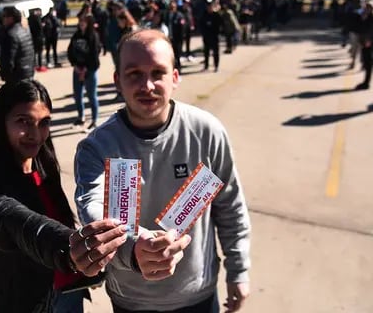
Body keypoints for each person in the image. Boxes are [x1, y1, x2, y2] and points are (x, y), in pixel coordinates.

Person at [74, 29, 251, 312]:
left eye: (158, 72)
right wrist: (134, 248)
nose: (147, 85)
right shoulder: (97, 147)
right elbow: (91, 208)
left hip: (198, 296)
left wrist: (238, 270)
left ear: (175, 78)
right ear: (117, 81)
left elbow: (230, 206)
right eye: (134, 74)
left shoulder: (207, 133)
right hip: (131, 300)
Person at [0, 79, 128, 313]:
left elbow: (60, 219)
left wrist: (84, 265)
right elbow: (16, 223)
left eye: (43, 123)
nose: (35, 134)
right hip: (18, 302)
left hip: (67, 292)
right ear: (0, 122)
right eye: (23, 121)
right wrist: (72, 249)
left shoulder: (42, 165)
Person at [67, 14, 101, 130]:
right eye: (80, 21)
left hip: (90, 70)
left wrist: (85, 69)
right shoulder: (76, 35)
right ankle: (81, 117)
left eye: (84, 21)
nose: (81, 23)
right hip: (77, 69)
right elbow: (70, 51)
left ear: (88, 23)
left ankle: (94, 120)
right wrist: (75, 65)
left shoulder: (93, 36)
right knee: (77, 95)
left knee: (92, 96)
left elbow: (94, 54)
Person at [0, 6, 35, 83]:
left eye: (4, 16)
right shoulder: (25, 30)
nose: (3, 19)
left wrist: (6, 75)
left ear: (11, 18)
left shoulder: (11, 34)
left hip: (17, 75)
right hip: (28, 71)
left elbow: (9, 59)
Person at [354, 1, 373, 91]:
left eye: (369, 7)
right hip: (365, 42)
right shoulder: (365, 15)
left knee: (369, 64)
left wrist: (370, 40)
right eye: (367, 7)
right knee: (367, 64)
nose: (367, 9)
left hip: (369, 43)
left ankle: (367, 83)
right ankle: (366, 81)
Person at [200, 0, 223, 72]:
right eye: (208, 7)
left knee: (215, 52)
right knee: (206, 52)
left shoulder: (216, 15)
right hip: (206, 36)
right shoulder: (204, 14)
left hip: (214, 36)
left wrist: (217, 32)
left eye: (211, 7)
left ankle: (216, 66)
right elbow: (201, 24)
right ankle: (206, 66)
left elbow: (220, 25)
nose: (209, 8)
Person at [166, 0, 185, 72]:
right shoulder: (167, 15)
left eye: (173, 7)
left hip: (177, 39)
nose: (172, 8)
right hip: (169, 38)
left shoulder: (179, 15)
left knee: (177, 54)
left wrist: (181, 37)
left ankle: (178, 69)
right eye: (170, 7)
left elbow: (182, 27)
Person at [29, 8, 46, 72]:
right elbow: (40, 28)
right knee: (39, 52)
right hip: (39, 37)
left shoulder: (29, 19)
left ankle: (34, 65)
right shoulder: (37, 18)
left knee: (34, 53)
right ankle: (40, 65)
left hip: (32, 38)